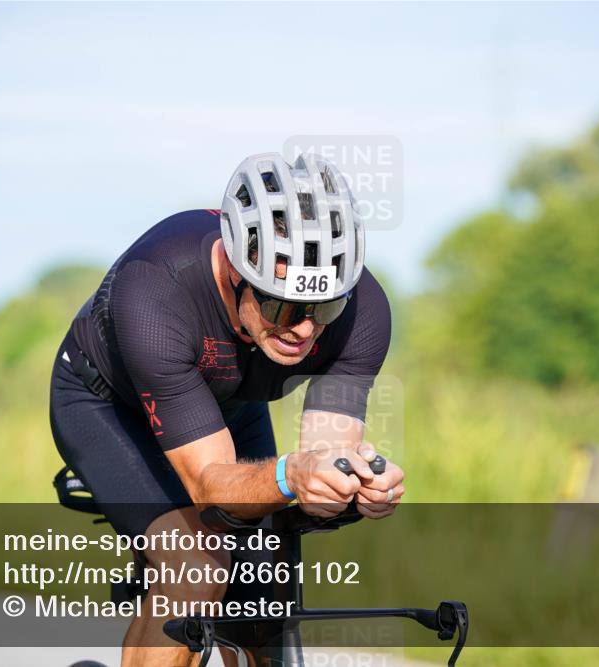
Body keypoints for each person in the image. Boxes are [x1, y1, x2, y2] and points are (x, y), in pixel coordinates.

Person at [49, 152, 403, 666]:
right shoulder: (155, 292)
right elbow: (211, 483)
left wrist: (357, 484)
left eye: (323, 307)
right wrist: (288, 476)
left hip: (227, 405)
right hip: (106, 406)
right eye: (282, 305)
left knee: (266, 588)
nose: (306, 329)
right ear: (233, 271)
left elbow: (326, 458)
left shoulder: (363, 313)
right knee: (198, 567)